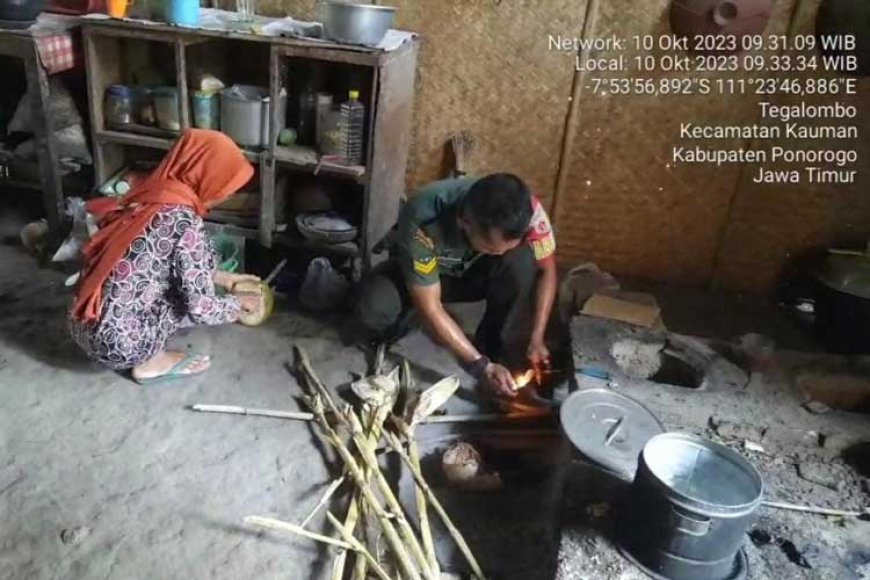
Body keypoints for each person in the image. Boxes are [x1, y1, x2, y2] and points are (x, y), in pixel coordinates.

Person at [69, 129, 262, 384]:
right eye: (227, 185)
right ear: (206, 175)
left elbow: (154, 260)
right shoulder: (184, 222)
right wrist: (238, 305)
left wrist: (224, 278)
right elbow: (200, 307)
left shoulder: (147, 195)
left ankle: (136, 346)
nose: (226, 194)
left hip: (82, 323)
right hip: (119, 345)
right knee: (183, 296)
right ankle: (151, 362)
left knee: (163, 280)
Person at [352, 173, 558, 398]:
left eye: (505, 248)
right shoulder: (423, 214)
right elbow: (431, 305)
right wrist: (480, 367)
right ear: (464, 222)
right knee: (373, 310)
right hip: (432, 274)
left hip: (476, 276)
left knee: (521, 262)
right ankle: (412, 315)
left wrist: (536, 337)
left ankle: (493, 348)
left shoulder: (527, 211)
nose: (499, 253)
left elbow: (547, 270)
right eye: (490, 248)